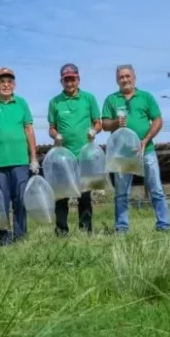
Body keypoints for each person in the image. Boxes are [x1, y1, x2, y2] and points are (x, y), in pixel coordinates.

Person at [101, 64, 170, 233]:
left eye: (127, 76)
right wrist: (116, 123)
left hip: (146, 151)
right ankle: (122, 228)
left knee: (156, 189)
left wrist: (145, 140)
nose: (125, 80)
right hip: (121, 155)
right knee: (121, 193)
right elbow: (104, 124)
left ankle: (163, 225)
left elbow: (158, 120)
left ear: (134, 77)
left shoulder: (146, 97)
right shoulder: (111, 99)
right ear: (117, 80)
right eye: (121, 77)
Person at [0, 67, 39, 246]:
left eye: (9, 81)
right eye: (2, 81)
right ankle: (4, 239)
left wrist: (33, 158)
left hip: (20, 161)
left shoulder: (21, 103)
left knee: (20, 199)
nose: (6, 85)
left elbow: (29, 129)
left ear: (14, 84)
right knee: (0, 202)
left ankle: (20, 236)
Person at [47, 63, 102, 235]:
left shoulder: (88, 98)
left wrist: (94, 131)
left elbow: (98, 122)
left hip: (84, 154)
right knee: (62, 195)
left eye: (72, 79)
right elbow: (51, 127)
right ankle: (62, 230)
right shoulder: (55, 102)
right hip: (63, 156)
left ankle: (85, 230)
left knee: (84, 195)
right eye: (66, 80)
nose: (69, 83)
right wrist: (55, 135)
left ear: (78, 80)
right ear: (61, 81)